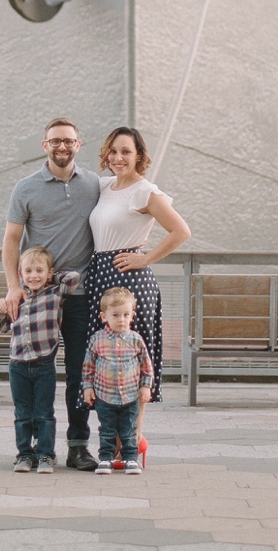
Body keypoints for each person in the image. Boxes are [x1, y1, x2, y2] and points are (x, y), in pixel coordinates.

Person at [2, 116, 101, 471]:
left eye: (69, 141)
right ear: (45, 145)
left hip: (79, 295)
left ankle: (78, 445)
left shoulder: (94, 184)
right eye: (55, 141)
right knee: (31, 370)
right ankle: (30, 449)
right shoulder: (25, 188)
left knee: (78, 372)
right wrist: (14, 287)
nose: (62, 146)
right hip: (37, 299)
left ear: (79, 144)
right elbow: (12, 240)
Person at [86, 126, 191, 441]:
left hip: (130, 279)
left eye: (126, 152)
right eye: (113, 151)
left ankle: (131, 439)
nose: (118, 158)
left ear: (139, 156)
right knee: (107, 359)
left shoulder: (145, 191)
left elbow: (181, 231)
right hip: (101, 276)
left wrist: (145, 259)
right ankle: (112, 438)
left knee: (130, 360)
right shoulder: (104, 187)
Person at [0, 246, 79, 473]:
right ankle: (24, 454)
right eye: (28, 271)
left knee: (44, 413)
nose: (34, 276)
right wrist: (0, 307)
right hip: (18, 364)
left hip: (43, 365)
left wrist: (52, 277)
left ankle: (45, 455)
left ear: (49, 273)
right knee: (22, 414)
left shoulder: (54, 294)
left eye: (39, 271)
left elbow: (74, 278)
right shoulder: (17, 297)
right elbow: (3, 327)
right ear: (20, 274)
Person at [82, 287, 153, 475]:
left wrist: (146, 387)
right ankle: (105, 458)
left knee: (129, 429)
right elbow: (88, 366)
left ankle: (131, 458)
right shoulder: (97, 339)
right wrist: (87, 387)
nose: (121, 319)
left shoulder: (136, 340)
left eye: (126, 315)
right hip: (105, 395)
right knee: (107, 430)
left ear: (132, 316)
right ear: (104, 317)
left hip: (130, 395)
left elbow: (146, 366)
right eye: (115, 315)